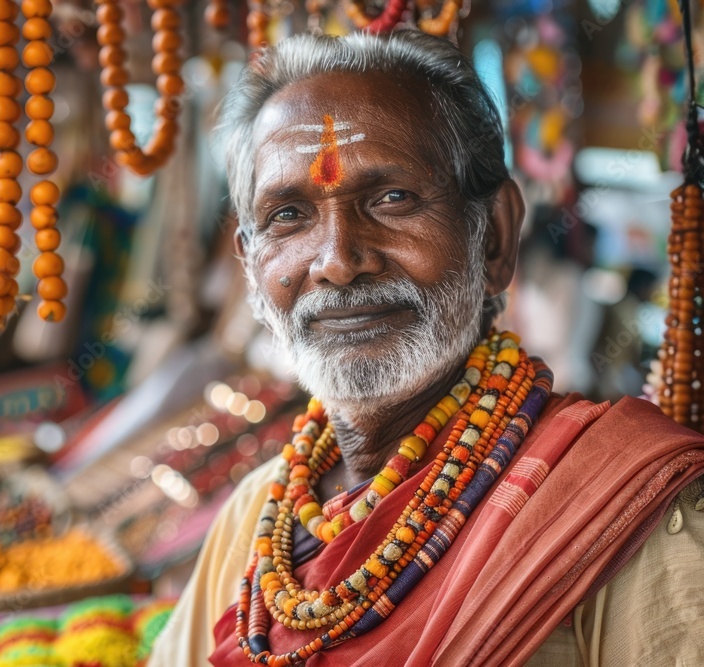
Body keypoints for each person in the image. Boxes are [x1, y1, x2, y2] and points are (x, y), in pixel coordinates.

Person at [149, 30, 704, 666]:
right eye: (289, 216)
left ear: (493, 237)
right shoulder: (255, 521)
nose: (338, 262)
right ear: (250, 266)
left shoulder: (622, 514)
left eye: (391, 199)